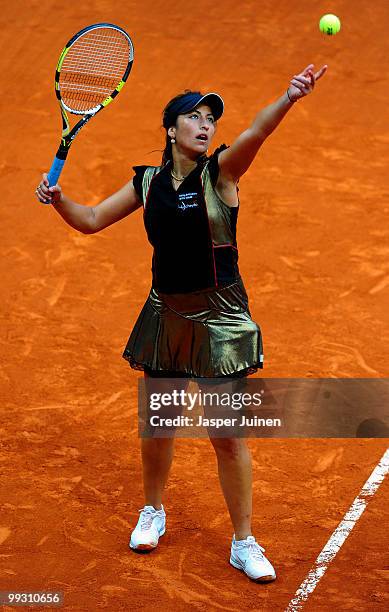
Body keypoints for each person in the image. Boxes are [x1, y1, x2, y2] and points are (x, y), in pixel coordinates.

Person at [35, 62, 327, 583]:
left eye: (211, 118)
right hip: (167, 313)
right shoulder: (147, 183)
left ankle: (243, 541)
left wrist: (289, 97)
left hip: (220, 318)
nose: (206, 124)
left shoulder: (223, 173)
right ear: (171, 129)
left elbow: (256, 131)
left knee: (227, 436)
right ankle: (153, 511)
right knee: (160, 424)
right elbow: (93, 220)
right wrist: (60, 202)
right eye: (194, 116)